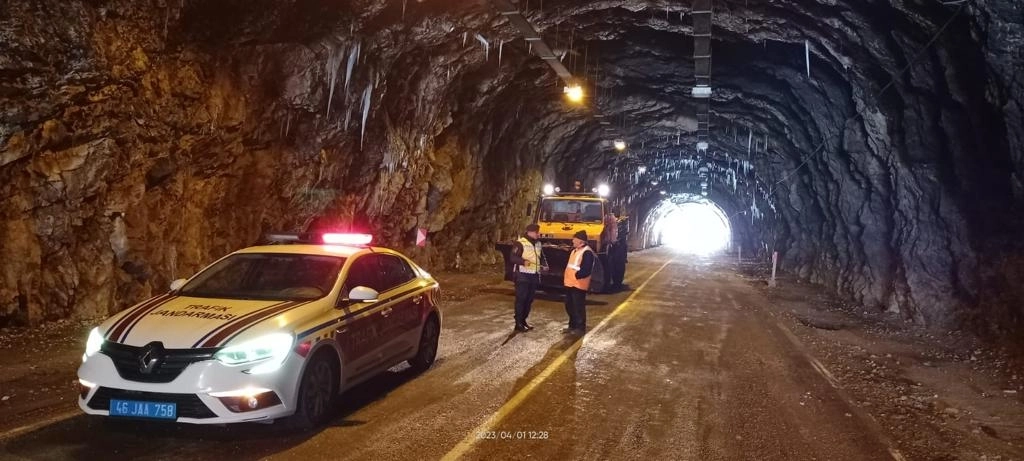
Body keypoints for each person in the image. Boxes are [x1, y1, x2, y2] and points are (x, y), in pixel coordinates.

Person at [509, 224, 545, 332]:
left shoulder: (538, 243)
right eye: (536, 232)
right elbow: (513, 257)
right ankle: (518, 323)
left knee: (529, 299)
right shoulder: (520, 243)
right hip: (522, 276)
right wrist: (523, 262)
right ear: (530, 232)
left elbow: (540, 257)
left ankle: (523, 320)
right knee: (521, 299)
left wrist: (543, 265)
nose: (538, 234)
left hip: (533, 275)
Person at [563, 230, 594, 335]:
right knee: (569, 305)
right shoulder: (574, 250)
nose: (572, 241)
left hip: (579, 284)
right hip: (570, 283)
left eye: (574, 239)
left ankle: (580, 328)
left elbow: (586, 269)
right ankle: (572, 325)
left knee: (578, 307)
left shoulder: (587, 252)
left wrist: (577, 275)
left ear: (581, 241)